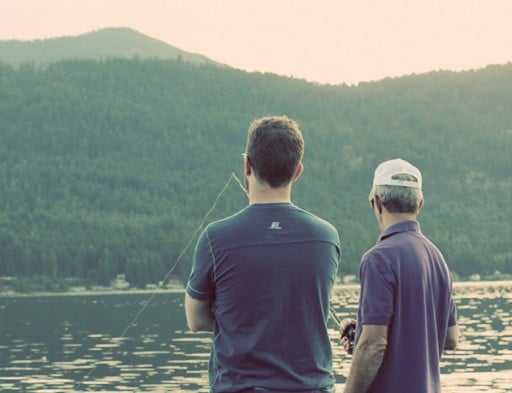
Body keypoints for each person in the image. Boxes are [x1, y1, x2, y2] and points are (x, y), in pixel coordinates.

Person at [185, 115, 341, 393]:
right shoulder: (326, 237)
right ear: (297, 171)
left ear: (247, 164)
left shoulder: (215, 237)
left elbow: (196, 319)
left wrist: (234, 321)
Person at [341, 158, 459, 393]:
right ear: (421, 204)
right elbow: (450, 339)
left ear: (376, 202)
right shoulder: (437, 258)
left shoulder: (378, 258)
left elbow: (373, 345)